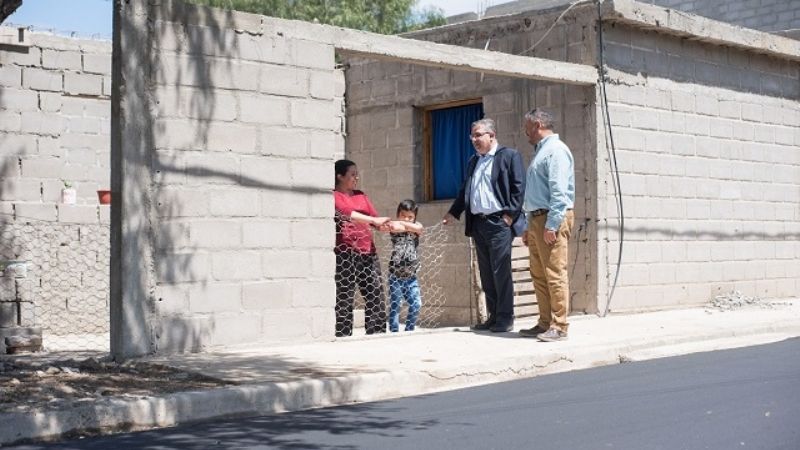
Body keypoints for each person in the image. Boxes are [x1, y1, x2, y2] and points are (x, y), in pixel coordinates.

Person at [442, 118, 526, 333]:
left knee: (500, 272)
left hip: (499, 223)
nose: (474, 139)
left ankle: (505, 318)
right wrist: (453, 212)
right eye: (473, 136)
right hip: (479, 224)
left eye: (479, 135)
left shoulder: (509, 156)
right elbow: (465, 192)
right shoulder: (474, 161)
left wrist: (509, 216)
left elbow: (519, 188)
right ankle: (493, 316)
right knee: (487, 273)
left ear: (492, 135)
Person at [518, 109, 575, 342]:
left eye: (527, 128)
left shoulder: (556, 151)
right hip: (536, 219)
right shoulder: (541, 152)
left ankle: (559, 326)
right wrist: (527, 226)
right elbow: (535, 192)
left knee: (554, 273)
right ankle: (544, 323)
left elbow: (559, 193)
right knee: (539, 274)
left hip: (551, 218)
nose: (525, 133)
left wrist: (551, 225)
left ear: (538, 124)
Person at [334, 159, 390, 337]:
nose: (356, 177)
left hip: (368, 251)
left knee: (375, 292)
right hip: (346, 252)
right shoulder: (334, 196)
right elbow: (347, 213)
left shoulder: (361, 195)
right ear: (340, 176)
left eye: (356, 173)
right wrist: (374, 221)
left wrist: (387, 225)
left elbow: (374, 218)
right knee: (345, 295)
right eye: (352, 174)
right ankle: (342, 335)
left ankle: (377, 333)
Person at [386, 200, 424, 332]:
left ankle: (409, 329)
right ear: (398, 214)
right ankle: (394, 331)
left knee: (416, 304)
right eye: (403, 215)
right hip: (395, 275)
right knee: (396, 305)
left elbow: (419, 228)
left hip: (411, 276)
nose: (407, 219)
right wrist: (408, 225)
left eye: (410, 217)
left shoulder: (416, 226)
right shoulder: (394, 226)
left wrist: (407, 224)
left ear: (415, 217)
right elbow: (395, 227)